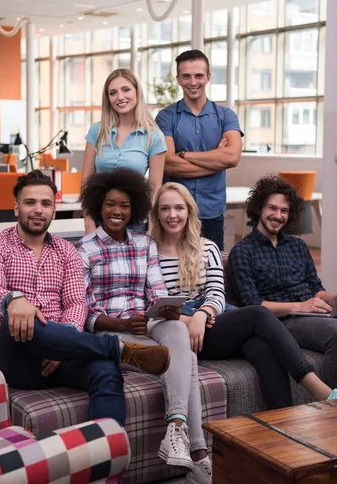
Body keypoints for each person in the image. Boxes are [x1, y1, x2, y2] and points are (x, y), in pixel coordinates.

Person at [0, 169, 170, 429]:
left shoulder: (67, 251)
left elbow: (77, 303)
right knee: (23, 317)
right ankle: (117, 349)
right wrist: (14, 299)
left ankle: (106, 460)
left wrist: (62, 343)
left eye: (45, 204)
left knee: (106, 371)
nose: (38, 210)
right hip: (16, 355)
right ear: (16, 208)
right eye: (30, 202)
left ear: (54, 211)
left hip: (61, 356)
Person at [150, 181, 337, 414]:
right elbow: (151, 304)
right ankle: (318, 388)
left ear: (189, 212)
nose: (172, 215)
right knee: (258, 313)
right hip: (181, 330)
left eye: (179, 208)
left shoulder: (207, 249)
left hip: (212, 320)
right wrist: (188, 321)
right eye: (165, 208)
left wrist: (202, 313)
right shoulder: (147, 252)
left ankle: (283, 422)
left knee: (263, 347)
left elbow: (217, 293)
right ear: (156, 214)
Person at [77, 168, 212, 484]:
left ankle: (176, 428)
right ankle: (197, 452)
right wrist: (123, 322)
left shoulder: (144, 244)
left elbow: (155, 290)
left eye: (124, 206)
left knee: (178, 330)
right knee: (187, 358)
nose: (117, 212)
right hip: (111, 332)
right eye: (111, 204)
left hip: (146, 325)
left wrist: (163, 309)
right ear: (99, 206)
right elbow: (84, 313)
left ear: (133, 209)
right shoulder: (85, 249)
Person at [227, 175, 337, 388]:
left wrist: (331, 298)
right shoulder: (242, 252)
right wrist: (301, 306)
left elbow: (315, 288)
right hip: (281, 322)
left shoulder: (298, 246)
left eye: (284, 211)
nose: (278, 216)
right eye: (272, 208)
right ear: (259, 208)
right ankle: (332, 410)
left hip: (312, 313)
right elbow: (253, 306)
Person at [155, 49, 243, 250]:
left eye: (198, 76)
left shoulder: (226, 116)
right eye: (186, 76)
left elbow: (232, 157)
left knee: (210, 272)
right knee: (173, 273)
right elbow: (167, 163)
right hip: (173, 214)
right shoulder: (166, 117)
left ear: (208, 77)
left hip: (211, 211)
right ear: (178, 79)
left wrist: (185, 155)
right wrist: (215, 161)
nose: (192, 82)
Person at [82, 68, 166, 233]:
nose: (120, 97)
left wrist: (151, 227)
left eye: (126, 90)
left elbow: (155, 188)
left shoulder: (153, 136)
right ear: (108, 98)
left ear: (137, 92)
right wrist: (88, 222)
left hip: (136, 223)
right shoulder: (96, 132)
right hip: (100, 220)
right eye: (113, 93)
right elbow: (86, 182)